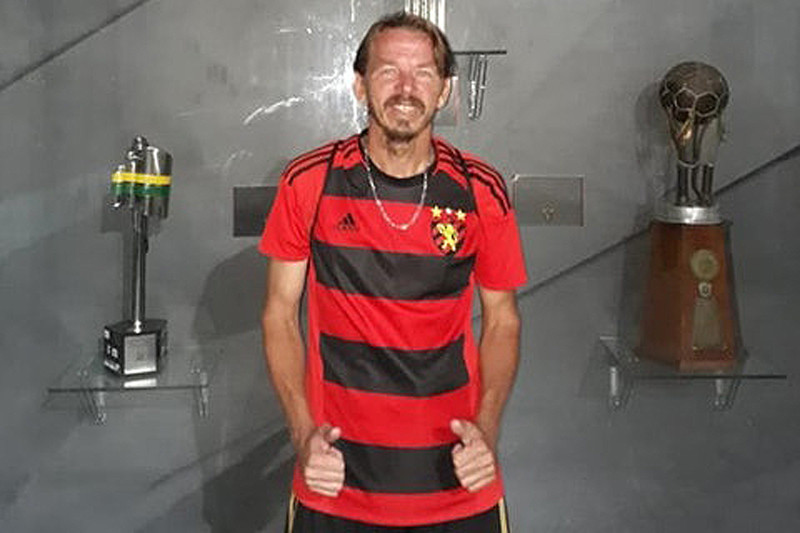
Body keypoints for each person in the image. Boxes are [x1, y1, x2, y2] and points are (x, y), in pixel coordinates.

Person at [260, 11, 526, 532]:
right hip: (335, 483)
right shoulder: (309, 181)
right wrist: (302, 434)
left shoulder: (481, 189)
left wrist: (488, 430)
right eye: (388, 71)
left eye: (423, 73)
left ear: (444, 90)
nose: (406, 88)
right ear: (360, 85)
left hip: (457, 482)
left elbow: (503, 321)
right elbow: (278, 315)